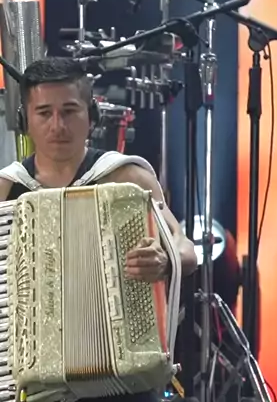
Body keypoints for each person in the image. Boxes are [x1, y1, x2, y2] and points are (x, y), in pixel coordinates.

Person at [0, 57, 197, 402]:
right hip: (34, 386)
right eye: (44, 113)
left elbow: (186, 249)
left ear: (91, 116)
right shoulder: (7, 189)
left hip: (124, 380)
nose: (58, 125)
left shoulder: (126, 177)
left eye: (69, 111)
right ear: (24, 120)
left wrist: (165, 259)